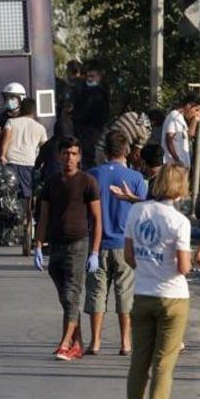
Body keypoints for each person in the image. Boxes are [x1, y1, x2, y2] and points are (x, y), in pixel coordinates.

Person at [123, 163, 193, 399]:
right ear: (180, 187)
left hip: (142, 292)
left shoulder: (137, 211)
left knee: (139, 361)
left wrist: (147, 266)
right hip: (173, 296)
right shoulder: (179, 221)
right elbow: (184, 266)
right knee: (164, 363)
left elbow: (129, 255)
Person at [33, 137, 102, 361]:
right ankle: (77, 343)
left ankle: (65, 343)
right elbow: (43, 216)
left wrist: (94, 252)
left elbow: (97, 219)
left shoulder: (88, 182)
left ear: (79, 157)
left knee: (72, 293)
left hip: (78, 244)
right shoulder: (51, 183)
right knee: (66, 298)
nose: (69, 158)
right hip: (56, 245)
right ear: (59, 156)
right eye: (66, 153)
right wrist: (38, 245)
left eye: (73, 154)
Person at [84, 131, 148, 357]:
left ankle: (95, 342)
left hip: (97, 244)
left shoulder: (91, 175)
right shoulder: (136, 178)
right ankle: (125, 342)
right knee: (125, 293)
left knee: (97, 292)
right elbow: (143, 211)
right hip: (125, 244)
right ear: (127, 151)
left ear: (105, 151)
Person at [0, 97, 48, 254]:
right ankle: (28, 226)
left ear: (21, 109)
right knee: (29, 198)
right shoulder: (40, 128)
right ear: (34, 111)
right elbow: (44, 148)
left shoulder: (11, 123)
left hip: (12, 163)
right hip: (30, 165)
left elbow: (6, 139)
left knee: (11, 196)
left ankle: (14, 228)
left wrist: (2, 155)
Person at [71, 61, 111, 167]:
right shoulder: (87, 91)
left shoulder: (97, 93)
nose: (89, 78)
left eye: (92, 76)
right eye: (88, 76)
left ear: (99, 77)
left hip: (94, 130)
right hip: (89, 130)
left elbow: (87, 111)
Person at [161, 94, 200, 170]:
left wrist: (195, 120)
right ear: (188, 105)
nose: (196, 113)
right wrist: (177, 160)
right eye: (196, 110)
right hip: (174, 167)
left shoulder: (181, 119)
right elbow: (169, 139)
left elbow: (190, 136)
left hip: (182, 168)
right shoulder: (174, 116)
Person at [0, 82, 27, 163]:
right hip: (4, 160)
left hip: (22, 160)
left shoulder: (25, 116)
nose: (9, 100)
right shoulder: (2, 117)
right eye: (7, 97)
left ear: (21, 99)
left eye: (12, 98)